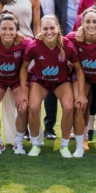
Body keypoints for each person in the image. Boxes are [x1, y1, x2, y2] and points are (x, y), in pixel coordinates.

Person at [17, 15, 87, 157]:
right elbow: (23, 68)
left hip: (61, 81)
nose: (49, 32)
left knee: (68, 107)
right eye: (45, 29)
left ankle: (64, 146)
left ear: (58, 29)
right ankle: (35, 144)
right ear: (41, 31)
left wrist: (81, 94)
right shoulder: (34, 46)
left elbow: (79, 69)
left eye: (52, 28)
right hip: (40, 80)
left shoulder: (67, 45)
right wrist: (24, 92)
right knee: (33, 107)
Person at [0, 0, 40, 145]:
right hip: (7, 49)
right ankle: (14, 133)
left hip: (27, 46)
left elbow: (36, 25)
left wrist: (37, 45)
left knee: (28, 90)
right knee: (10, 92)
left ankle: (31, 130)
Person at [0, 12, 31, 155]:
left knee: (23, 108)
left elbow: (40, 45)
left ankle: (18, 143)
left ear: (17, 30)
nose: (7, 32)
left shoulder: (25, 42)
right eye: (4, 28)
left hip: (17, 79)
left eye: (11, 29)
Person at [30, 0, 62, 140]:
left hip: (54, 42)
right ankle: (30, 129)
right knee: (33, 84)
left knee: (53, 83)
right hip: (35, 43)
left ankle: (49, 127)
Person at [66, 8, 96, 154]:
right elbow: (56, 41)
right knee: (81, 105)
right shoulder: (74, 38)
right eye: (88, 22)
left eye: (94, 21)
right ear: (82, 24)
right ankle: (83, 139)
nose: (91, 25)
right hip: (83, 77)